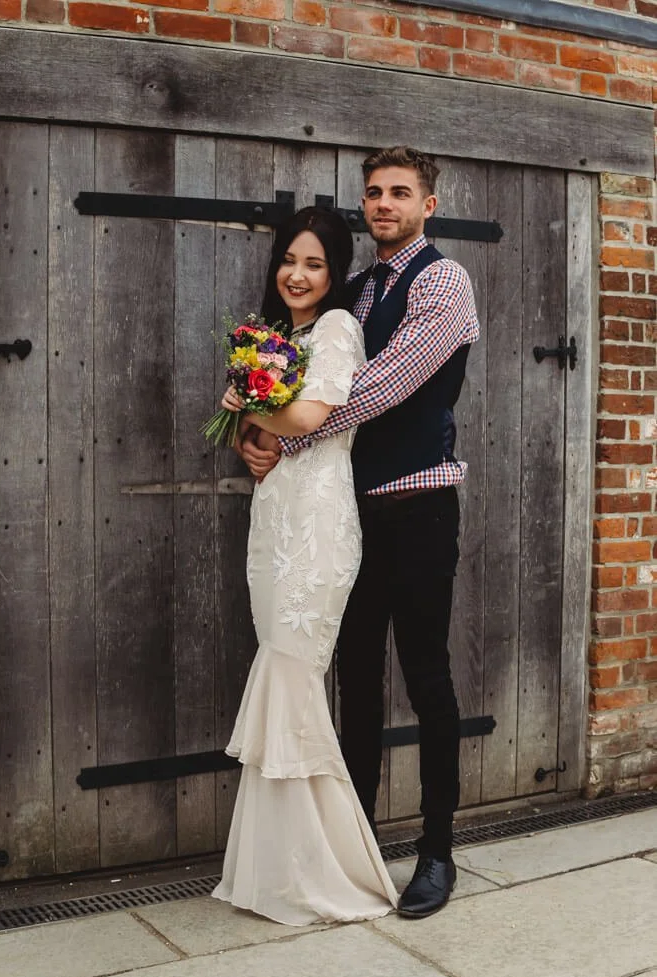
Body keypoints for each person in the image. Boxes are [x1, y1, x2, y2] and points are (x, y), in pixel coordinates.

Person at [239, 147, 480, 919]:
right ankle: (357, 843)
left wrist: (288, 434)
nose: (383, 203)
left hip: (416, 503)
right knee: (356, 685)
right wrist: (254, 420)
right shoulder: (352, 289)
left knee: (426, 675)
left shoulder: (442, 281)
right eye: (374, 192)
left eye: (399, 193)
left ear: (427, 203)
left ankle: (438, 852)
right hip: (345, 511)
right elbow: (305, 368)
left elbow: (384, 384)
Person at [211, 206, 398, 925]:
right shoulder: (278, 336)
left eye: (315, 263)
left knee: (293, 675)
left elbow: (313, 419)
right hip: (273, 522)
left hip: (319, 528)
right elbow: (256, 433)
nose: (298, 273)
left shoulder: (336, 330)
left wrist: (250, 407)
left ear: (336, 272)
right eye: (291, 259)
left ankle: (328, 869)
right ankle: (273, 869)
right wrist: (244, 429)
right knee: (280, 673)